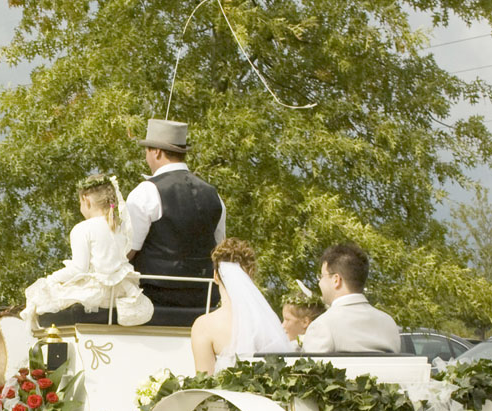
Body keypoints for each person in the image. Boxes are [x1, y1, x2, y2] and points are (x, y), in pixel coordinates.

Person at [22, 174, 154, 327]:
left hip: (99, 294)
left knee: (40, 295)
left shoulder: (83, 229)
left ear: (86, 200)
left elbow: (79, 268)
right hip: (120, 291)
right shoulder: (120, 227)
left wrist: (51, 278)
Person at [126, 119, 227, 308]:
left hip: (155, 295)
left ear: (156, 152)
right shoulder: (214, 194)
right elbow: (219, 249)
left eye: (147, 150)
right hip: (204, 298)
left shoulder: (146, 191)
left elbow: (129, 248)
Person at [191, 238, 291, 374]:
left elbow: (203, 382)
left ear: (215, 275)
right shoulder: (269, 322)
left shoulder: (204, 326)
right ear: (250, 274)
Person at [303, 243, 400, 353]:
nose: (319, 283)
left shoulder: (322, 326)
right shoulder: (389, 323)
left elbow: (310, 369)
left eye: (321, 276)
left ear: (336, 280)